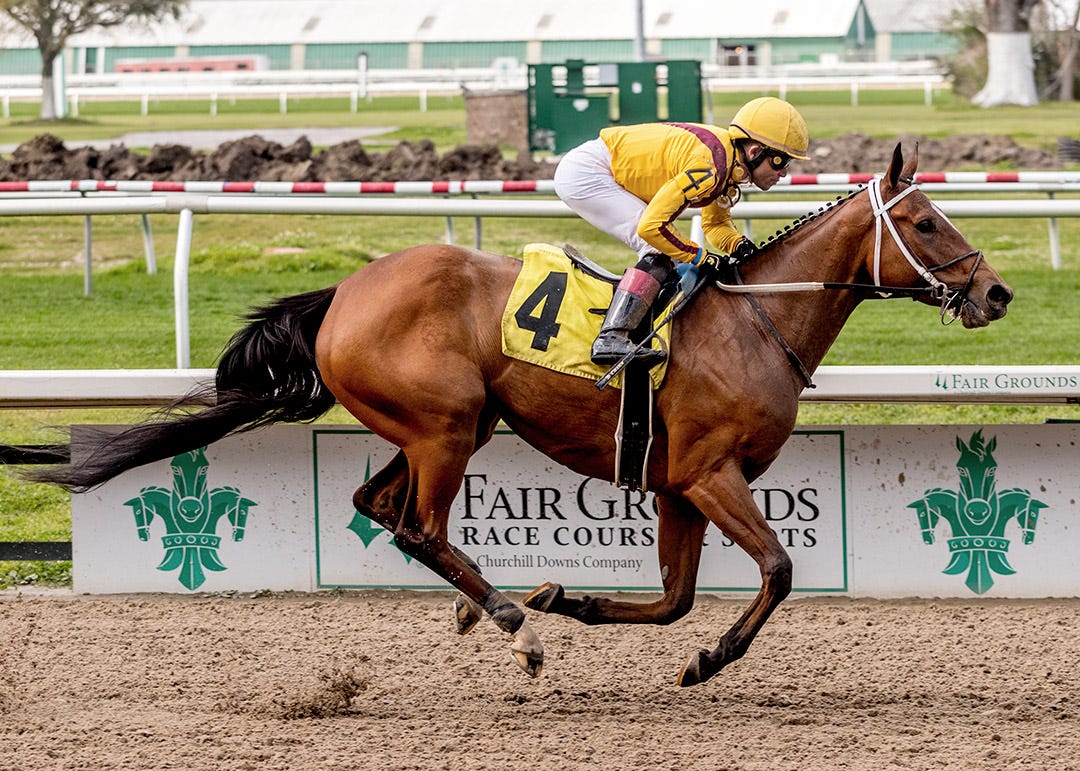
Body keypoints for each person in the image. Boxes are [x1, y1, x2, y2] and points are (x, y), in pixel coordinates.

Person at [553, 96, 810, 366]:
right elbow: (651, 227)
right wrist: (700, 256)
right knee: (657, 248)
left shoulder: (728, 165)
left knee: (671, 256)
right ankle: (611, 338)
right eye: (781, 162)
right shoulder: (709, 167)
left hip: (599, 166)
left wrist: (738, 244)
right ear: (755, 152)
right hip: (588, 173)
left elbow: (715, 224)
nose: (783, 173)